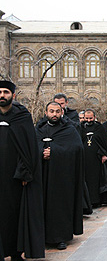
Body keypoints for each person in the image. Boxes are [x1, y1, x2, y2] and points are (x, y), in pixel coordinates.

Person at [0, 80, 45, 260]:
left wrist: (25, 172)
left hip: (14, 177)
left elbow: (29, 148)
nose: (2, 95)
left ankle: (16, 251)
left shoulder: (22, 116)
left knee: (15, 215)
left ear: (13, 95)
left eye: (5, 92)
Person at [36, 101, 83, 250]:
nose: (54, 114)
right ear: (46, 113)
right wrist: (41, 152)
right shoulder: (39, 129)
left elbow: (76, 148)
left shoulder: (69, 129)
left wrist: (54, 152)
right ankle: (41, 237)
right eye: (51, 111)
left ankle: (60, 237)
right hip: (41, 176)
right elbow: (30, 146)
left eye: (57, 111)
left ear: (62, 112)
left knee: (59, 206)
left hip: (61, 176)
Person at [81, 109, 107, 207]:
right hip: (85, 158)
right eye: (86, 118)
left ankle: (97, 200)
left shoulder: (99, 127)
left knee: (97, 179)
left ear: (94, 117)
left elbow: (104, 143)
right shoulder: (81, 127)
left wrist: (104, 154)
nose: (88, 120)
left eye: (90, 118)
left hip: (97, 158)